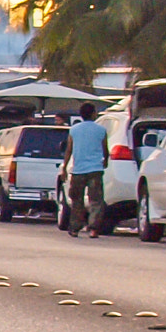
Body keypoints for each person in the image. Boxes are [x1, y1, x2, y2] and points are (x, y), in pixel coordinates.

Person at [65, 101, 110, 237]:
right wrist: (105, 161)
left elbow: (69, 150)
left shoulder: (74, 130)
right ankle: (94, 228)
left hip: (78, 170)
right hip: (95, 169)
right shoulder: (101, 130)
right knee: (96, 200)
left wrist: (64, 168)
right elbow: (105, 149)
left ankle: (74, 228)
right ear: (93, 113)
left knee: (76, 200)